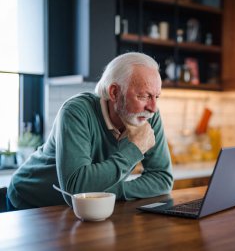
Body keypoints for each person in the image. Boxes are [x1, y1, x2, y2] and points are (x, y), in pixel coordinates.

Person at [6, 52, 173, 210]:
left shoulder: (148, 116)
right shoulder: (76, 111)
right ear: (114, 92)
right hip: (30, 202)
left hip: (80, 209)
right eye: (143, 96)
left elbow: (163, 179)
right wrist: (134, 150)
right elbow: (75, 190)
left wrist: (107, 193)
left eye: (156, 97)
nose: (152, 108)